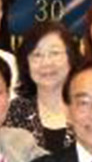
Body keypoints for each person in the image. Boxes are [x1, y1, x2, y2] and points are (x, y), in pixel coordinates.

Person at [5, 21, 81, 152]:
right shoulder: (15, 111)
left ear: (70, 58)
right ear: (26, 64)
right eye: (37, 55)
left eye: (54, 53)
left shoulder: (88, 108)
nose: (46, 63)